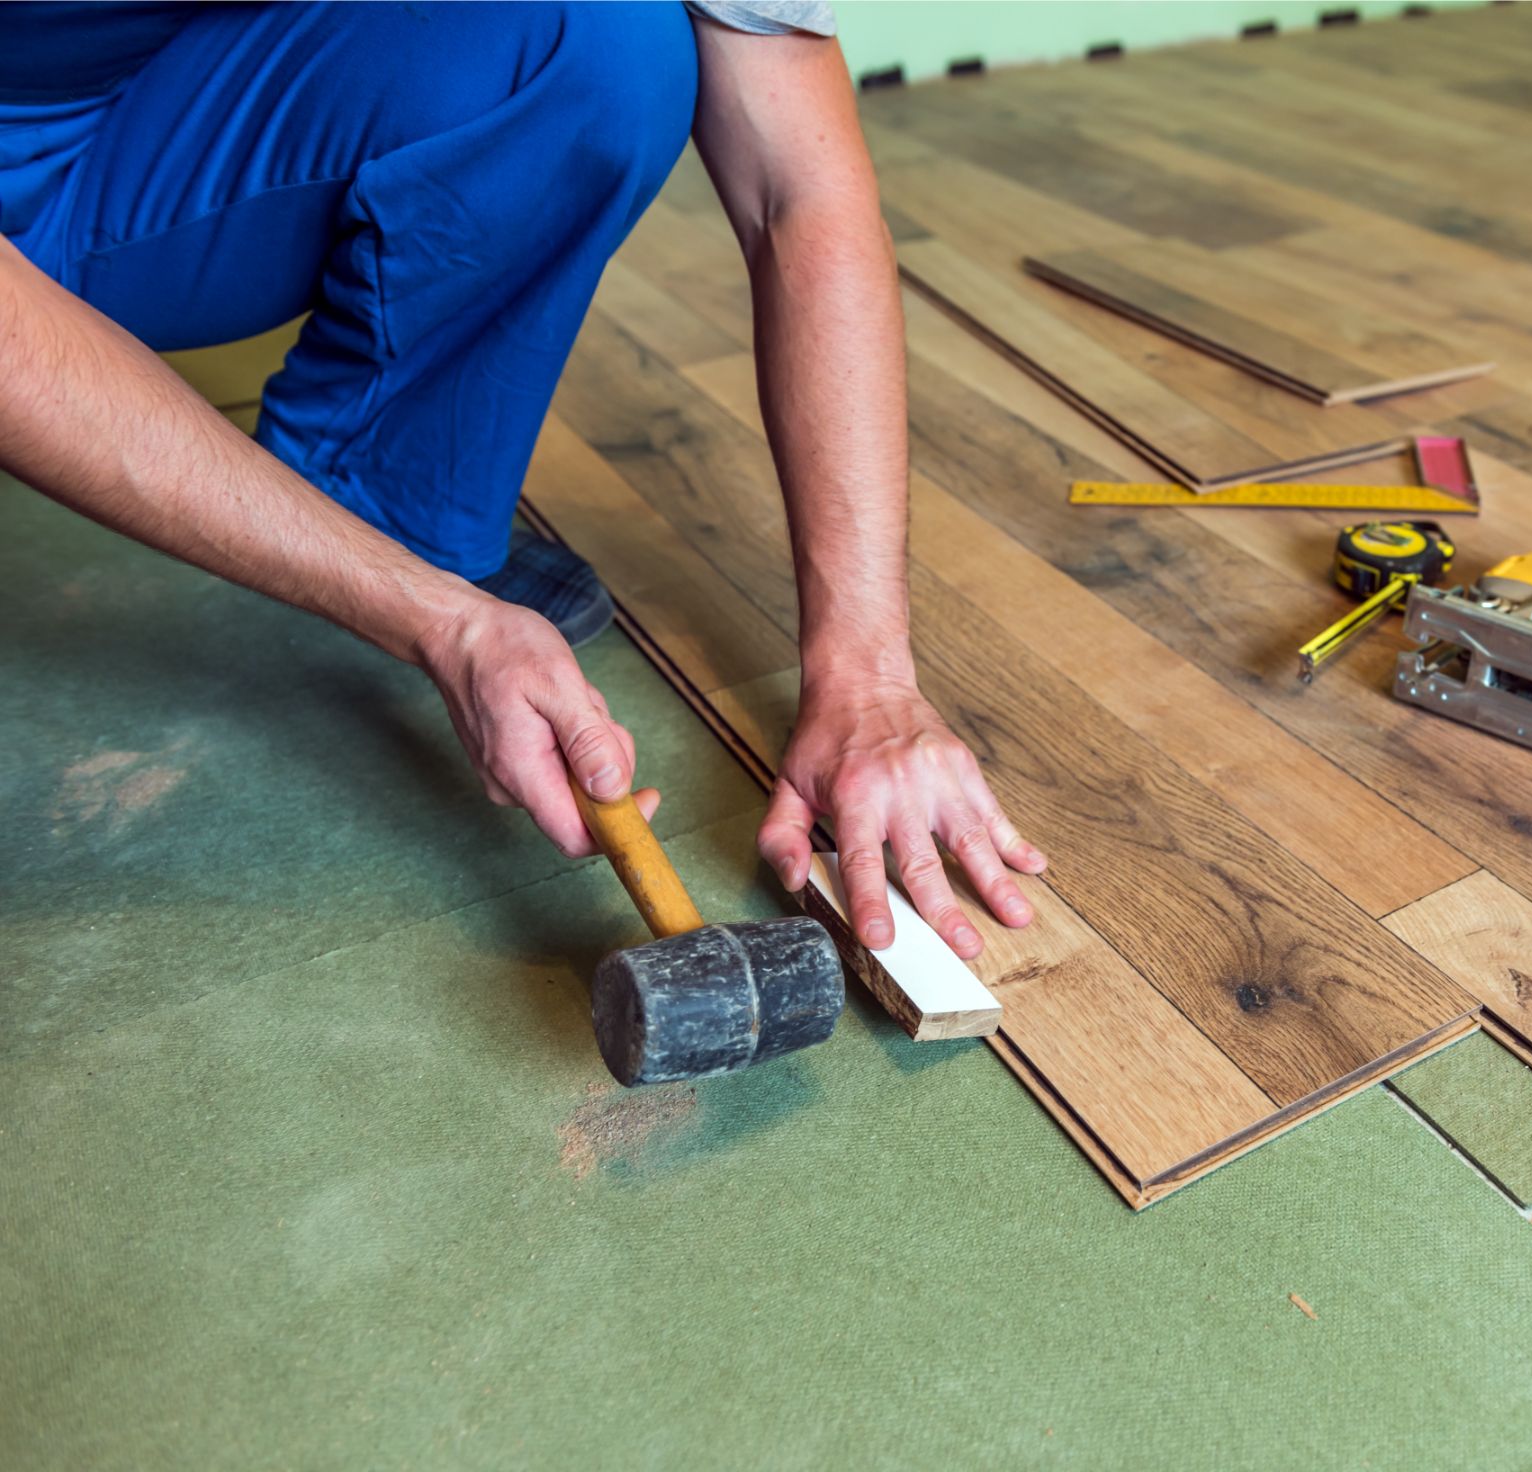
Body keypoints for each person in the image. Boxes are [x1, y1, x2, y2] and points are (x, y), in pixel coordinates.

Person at [0, 1, 1043, 959]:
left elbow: (797, 187)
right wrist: (438, 623)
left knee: (606, 40)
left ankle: (382, 503)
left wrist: (867, 673)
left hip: (154, 120)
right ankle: (382, 567)